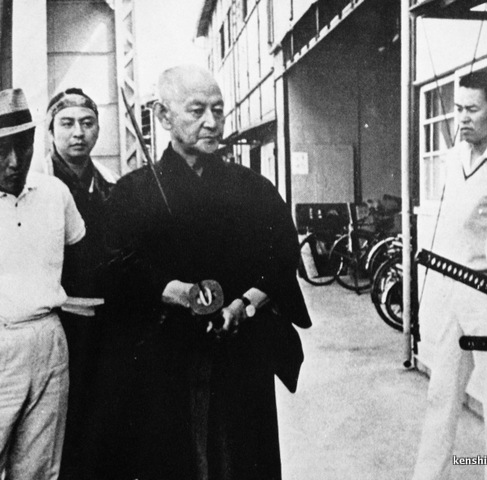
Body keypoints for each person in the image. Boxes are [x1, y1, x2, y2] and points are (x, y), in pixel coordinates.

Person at [99, 64, 311, 480]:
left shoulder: (253, 188)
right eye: (196, 111)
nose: (211, 122)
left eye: (218, 110)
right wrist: (170, 290)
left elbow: (282, 257)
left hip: (241, 352)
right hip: (164, 356)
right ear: (163, 117)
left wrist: (245, 304)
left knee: (245, 457)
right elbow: (112, 269)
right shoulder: (133, 192)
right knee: (172, 459)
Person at [412, 71, 487, 480]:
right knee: (441, 393)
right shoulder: (455, 158)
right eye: (457, 110)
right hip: (453, 291)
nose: (462, 118)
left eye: (472, 109)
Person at [0, 88, 85, 478]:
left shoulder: (55, 193)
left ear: (36, 140)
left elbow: (84, 256)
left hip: (49, 341)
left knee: (39, 468)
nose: (13, 162)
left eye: (22, 146)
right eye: (1, 149)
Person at [43, 87, 118, 479]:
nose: (78, 133)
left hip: (105, 325)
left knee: (102, 421)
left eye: (87, 123)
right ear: (50, 130)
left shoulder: (111, 186)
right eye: (67, 123)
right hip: (58, 324)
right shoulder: (37, 189)